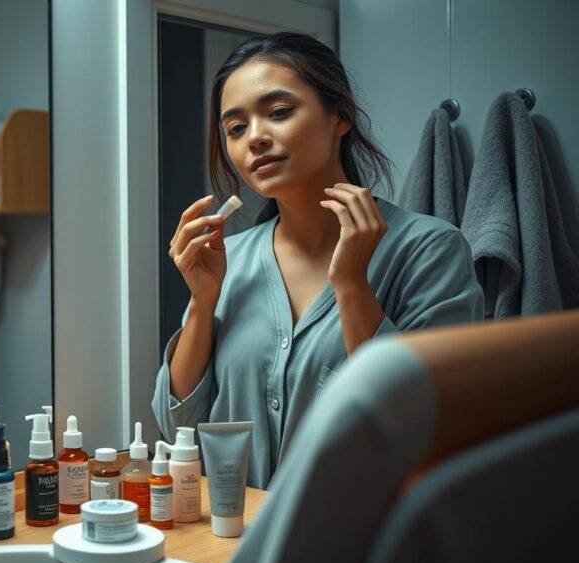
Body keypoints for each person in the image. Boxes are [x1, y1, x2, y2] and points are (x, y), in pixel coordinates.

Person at [152, 32, 483, 489]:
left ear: (340, 116)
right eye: (236, 128)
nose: (256, 139)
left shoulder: (430, 250)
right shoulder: (230, 260)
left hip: (358, 548)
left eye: (279, 112)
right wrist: (204, 303)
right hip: (231, 547)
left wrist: (351, 286)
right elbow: (178, 431)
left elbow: (425, 426)